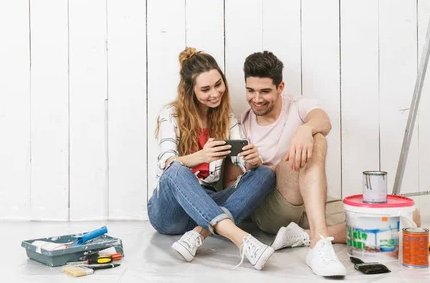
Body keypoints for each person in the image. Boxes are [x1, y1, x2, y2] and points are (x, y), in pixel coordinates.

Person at [148, 47, 276, 270]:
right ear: (191, 92)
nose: (215, 93)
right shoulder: (171, 114)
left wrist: (251, 161)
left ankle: (199, 234)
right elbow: (166, 162)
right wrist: (200, 156)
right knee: (177, 169)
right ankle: (242, 239)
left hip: (204, 207)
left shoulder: (227, 118)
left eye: (218, 84)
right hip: (171, 212)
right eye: (205, 89)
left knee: (265, 173)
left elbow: (241, 163)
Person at [239, 50, 347, 277]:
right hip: (271, 208)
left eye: (265, 91)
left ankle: (304, 235)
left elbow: (323, 121)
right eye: (251, 91)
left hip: (306, 199)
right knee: (317, 142)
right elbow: (236, 184)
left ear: (280, 88)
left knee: (395, 223)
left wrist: (305, 129)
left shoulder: (297, 105)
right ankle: (318, 244)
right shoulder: (243, 124)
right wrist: (254, 166)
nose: (256, 99)